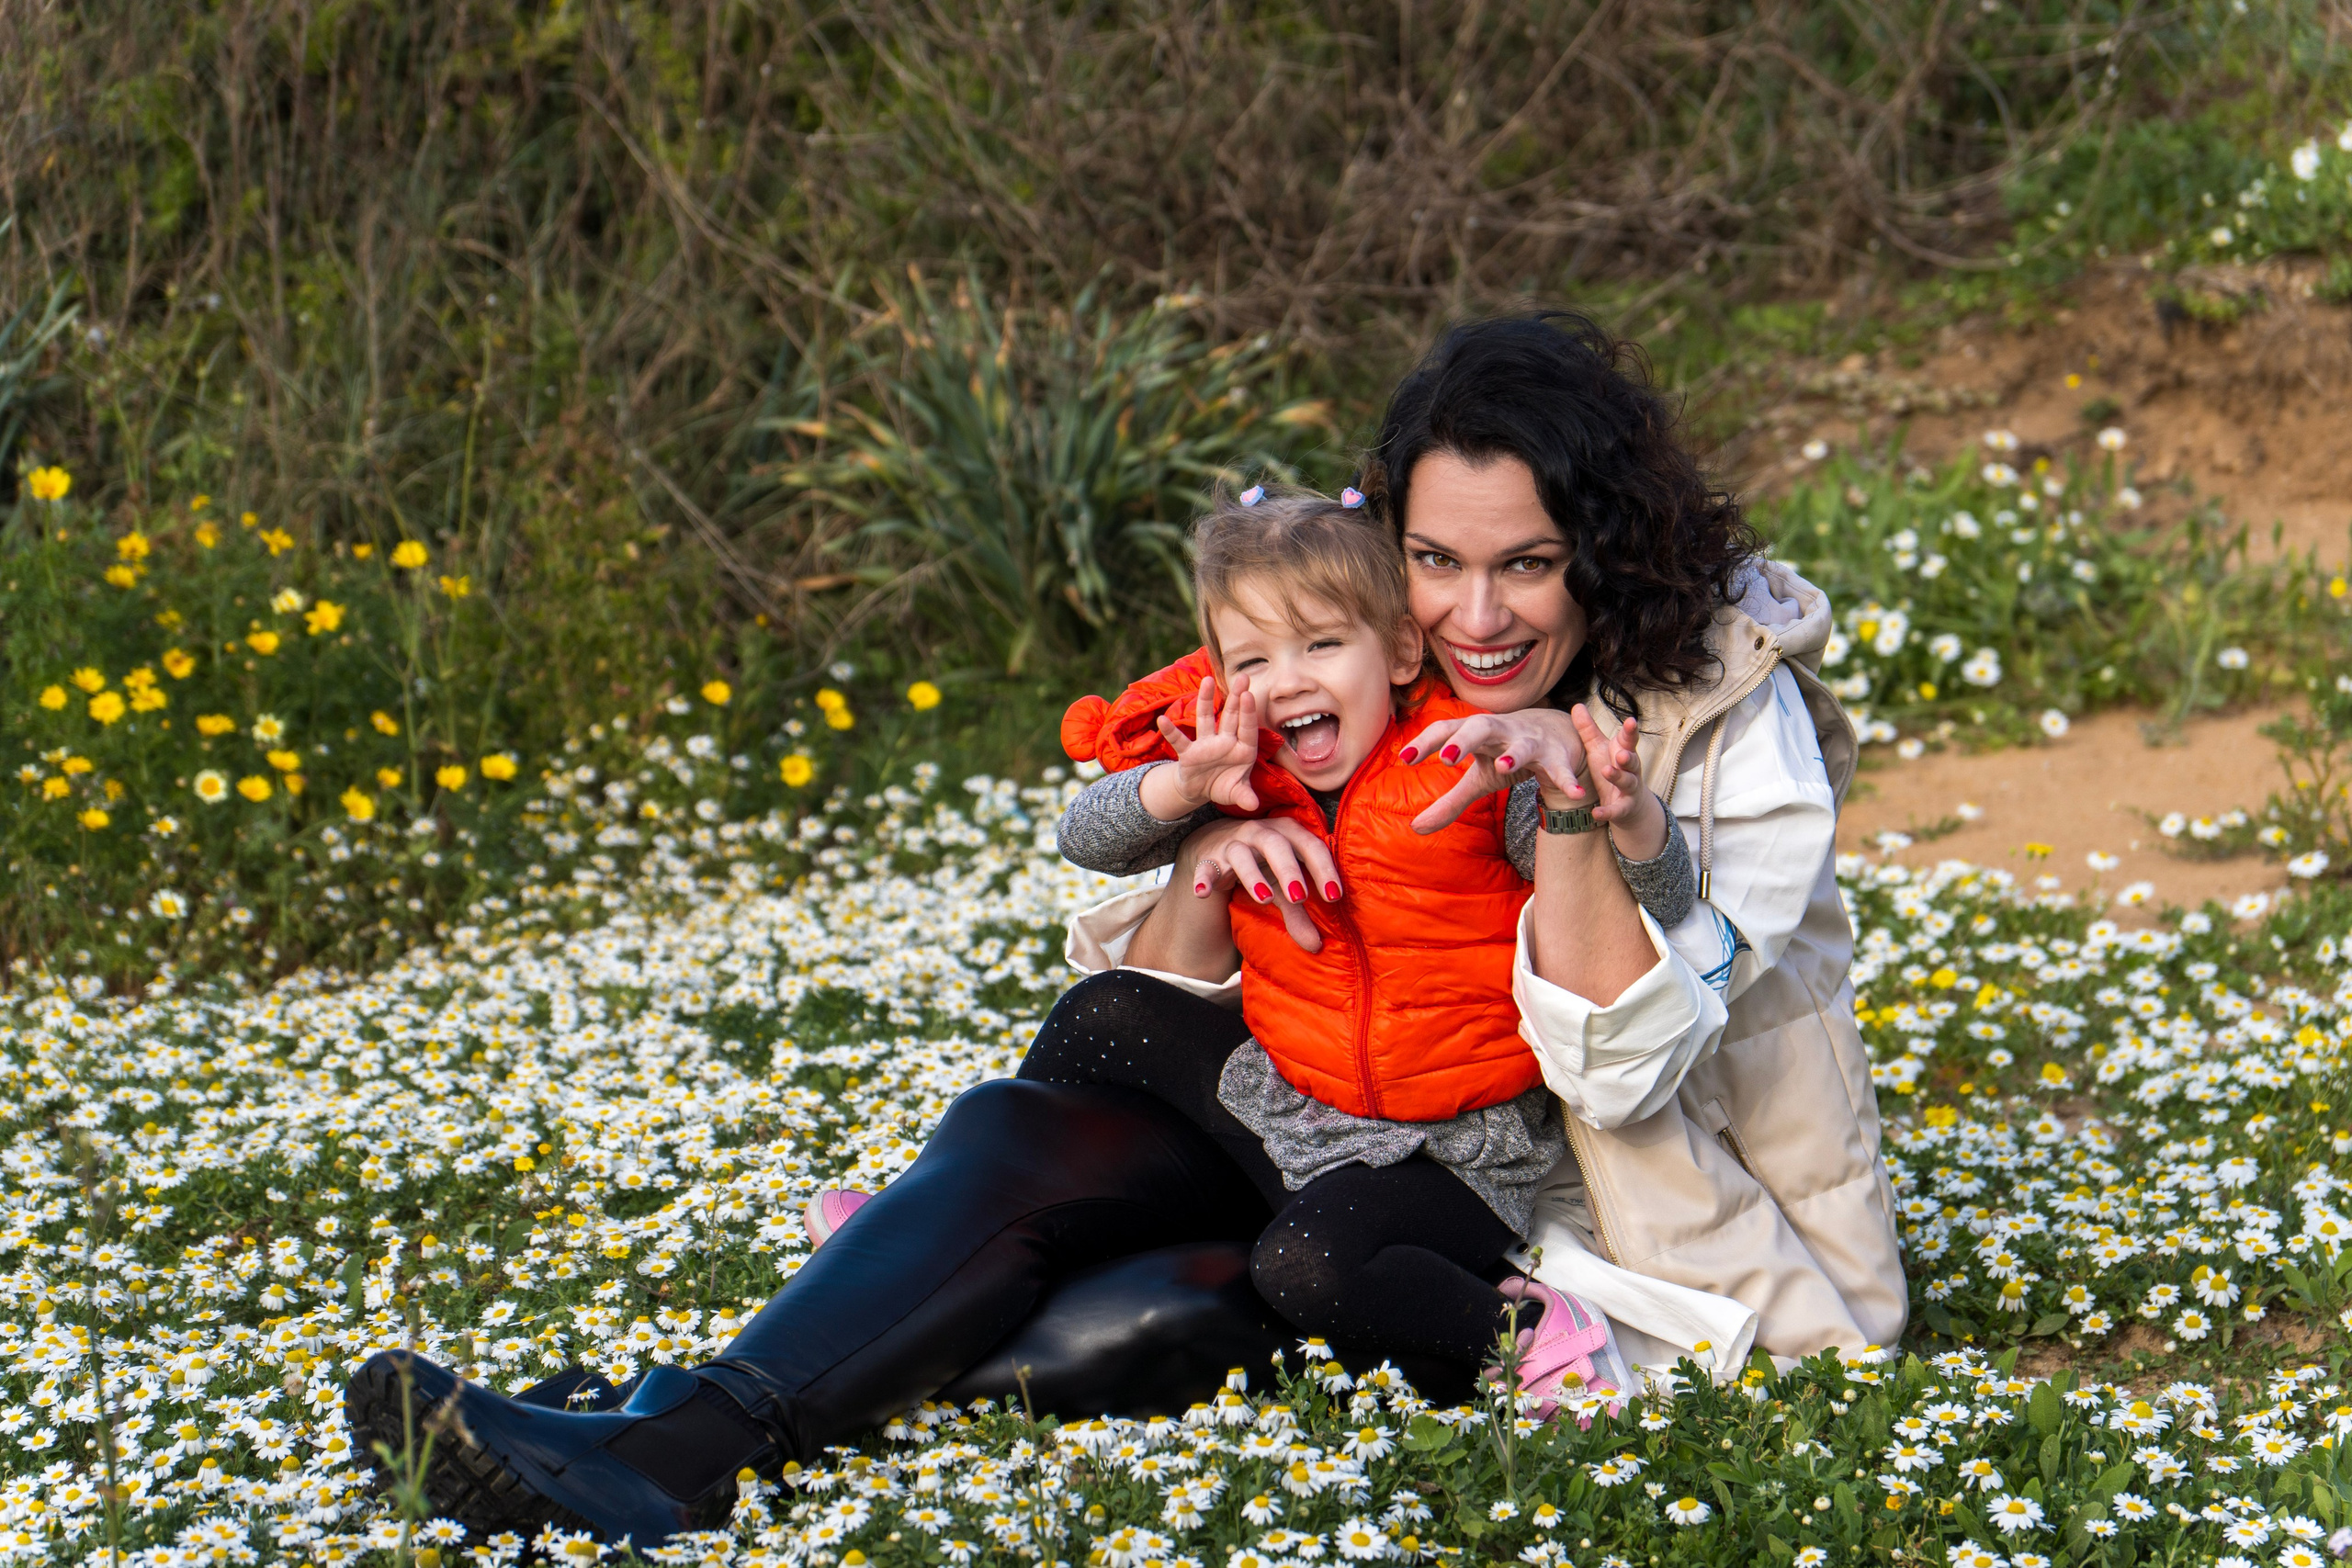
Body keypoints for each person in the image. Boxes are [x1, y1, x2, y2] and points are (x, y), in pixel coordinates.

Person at [347, 310, 1903, 1546]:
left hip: (1539, 1190)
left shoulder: (1717, 728)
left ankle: (655, 1421)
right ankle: (679, 1434)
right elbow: (1156, 873)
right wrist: (1215, 834)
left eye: (1528, 566)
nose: (1474, 617)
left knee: (1149, 1311)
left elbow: (1632, 1072)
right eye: (1436, 561)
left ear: (1607, 553)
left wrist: (1578, 812)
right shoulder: (1365, 653)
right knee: (1088, 1057)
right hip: (1324, 1105)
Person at [1032, 482, 1633, 1414]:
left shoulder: (1467, 762)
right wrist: (1185, 790)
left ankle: (1519, 1332)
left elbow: (1653, 900)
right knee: (1101, 1014)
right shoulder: (1240, 770)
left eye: (1320, 644)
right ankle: (986, 1210)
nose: (1284, 682)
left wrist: (1607, 810)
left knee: (1304, 1269)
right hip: (1297, 1106)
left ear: (1396, 650)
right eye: (1252, 660)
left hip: (1449, 1152)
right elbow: (1087, 837)